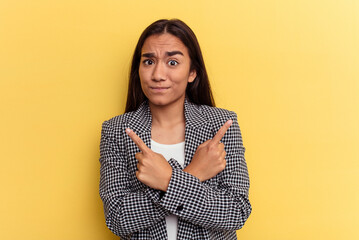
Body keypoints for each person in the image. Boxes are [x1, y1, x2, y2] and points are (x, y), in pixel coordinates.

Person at [99, 19, 251, 240]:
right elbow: (117, 218)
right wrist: (195, 173)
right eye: (149, 62)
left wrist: (166, 180)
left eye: (172, 62)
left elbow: (236, 211)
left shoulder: (221, 124)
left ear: (192, 72)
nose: (158, 74)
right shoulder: (116, 131)